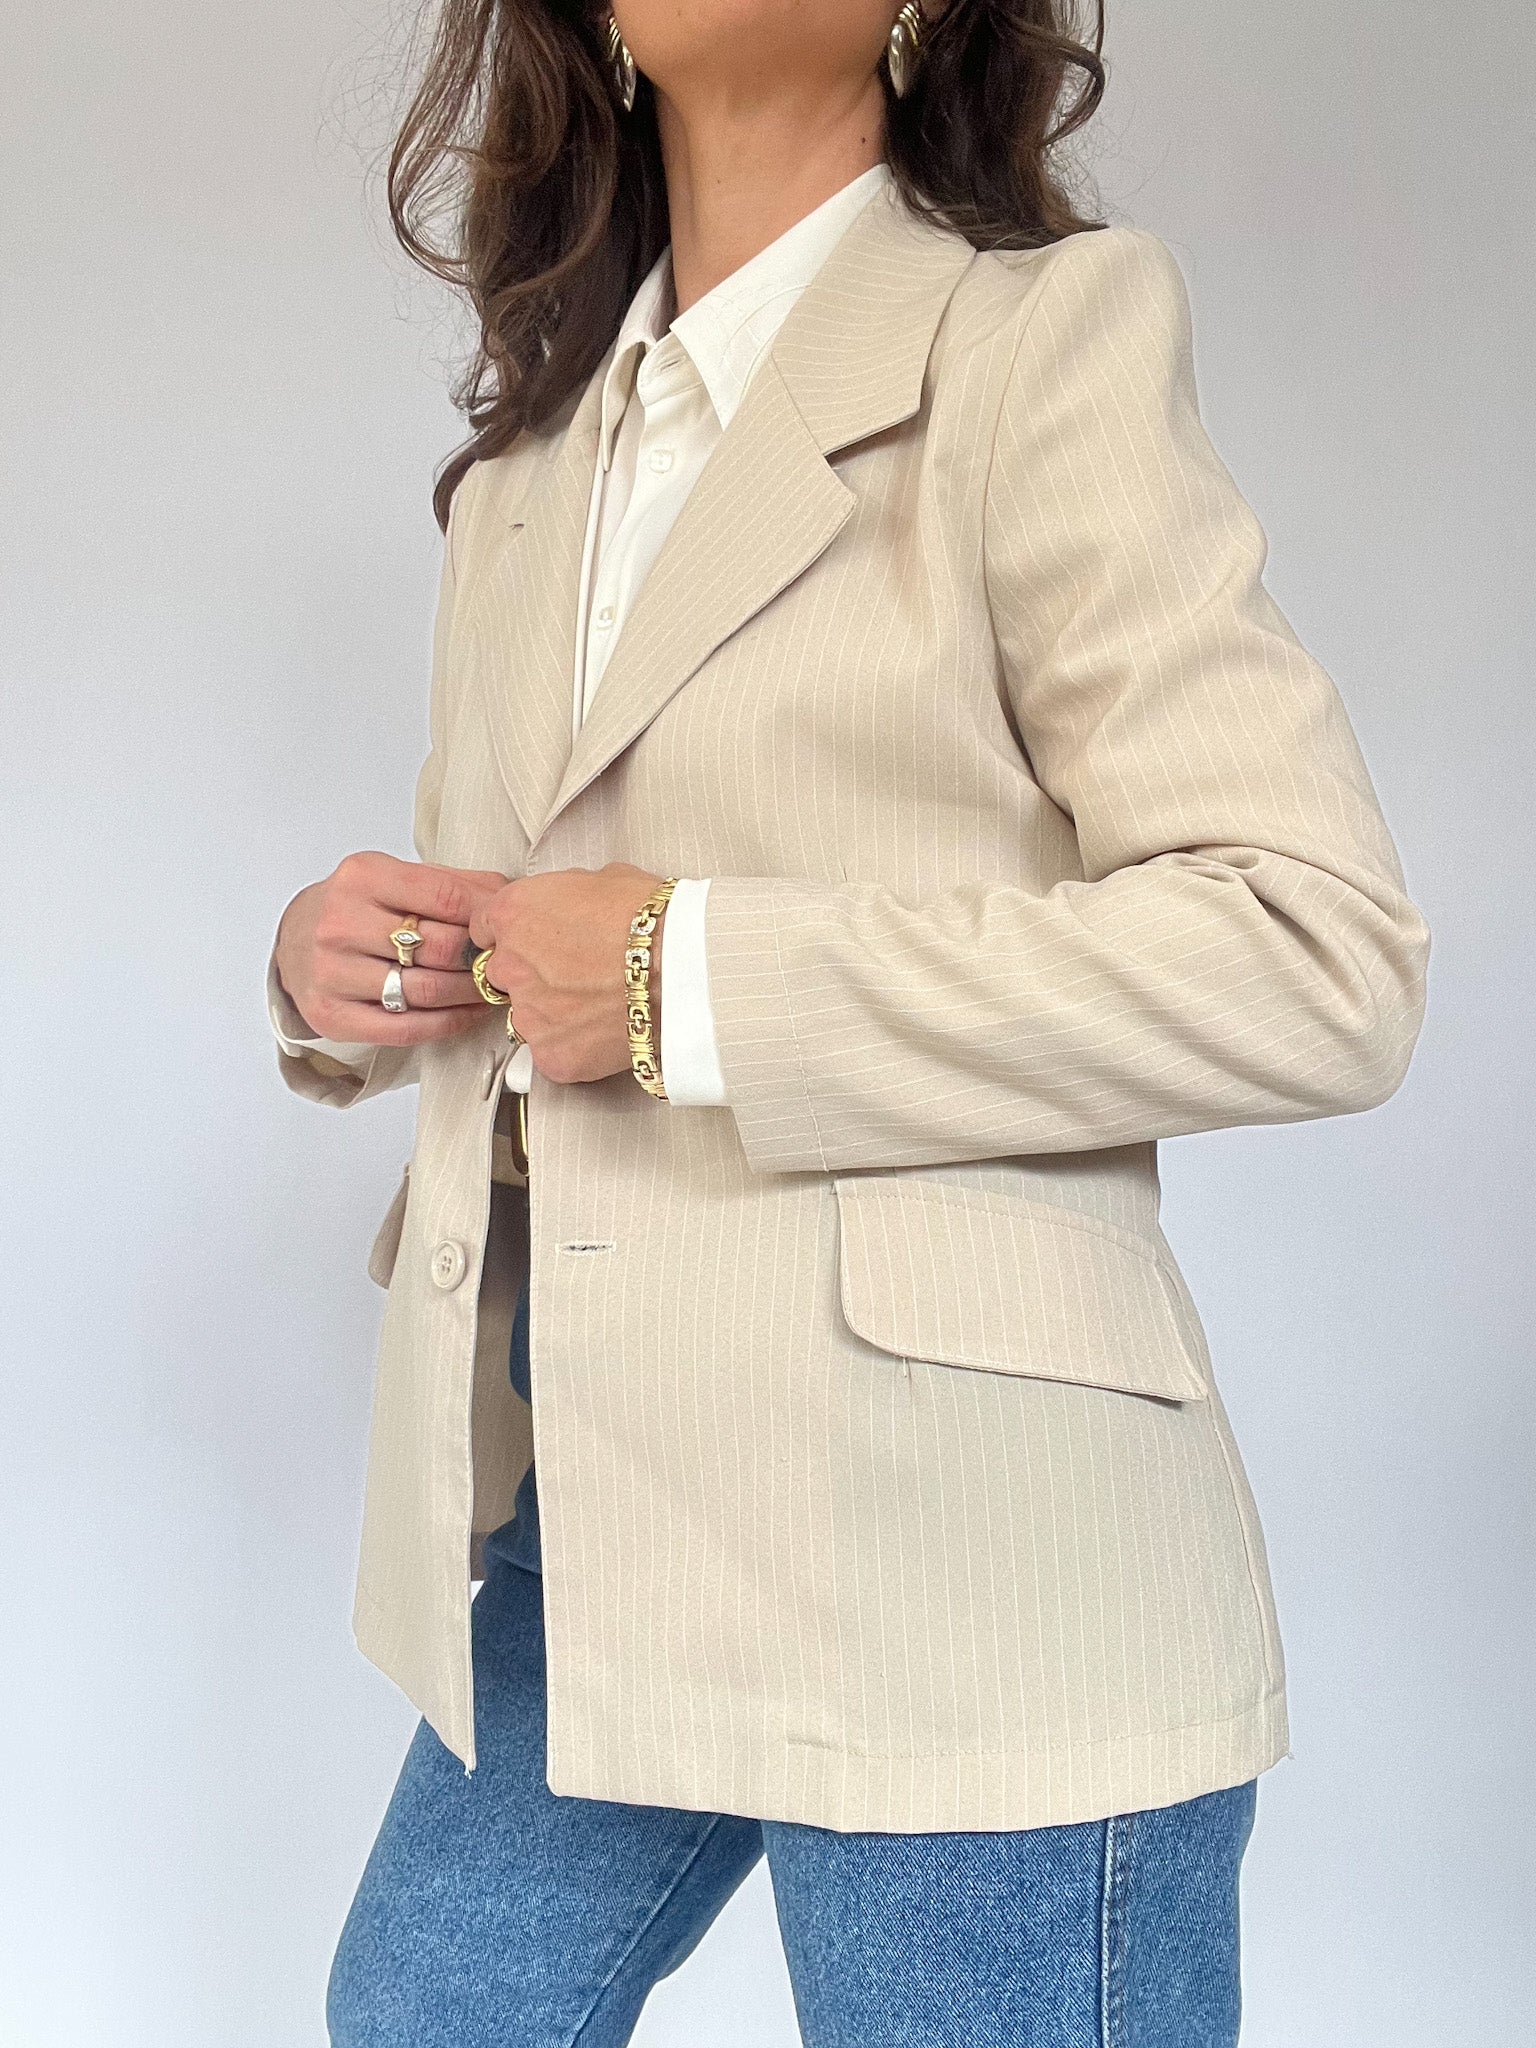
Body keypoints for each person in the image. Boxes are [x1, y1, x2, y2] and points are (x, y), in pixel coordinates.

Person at [265, 3, 1431, 2041]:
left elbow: (1312, 951)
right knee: (424, 2010)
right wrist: (352, 978)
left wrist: (686, 979)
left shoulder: (1039, 340)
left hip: (964, 1538)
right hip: (591, 1505)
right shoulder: (534, 459)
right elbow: (539, 934)